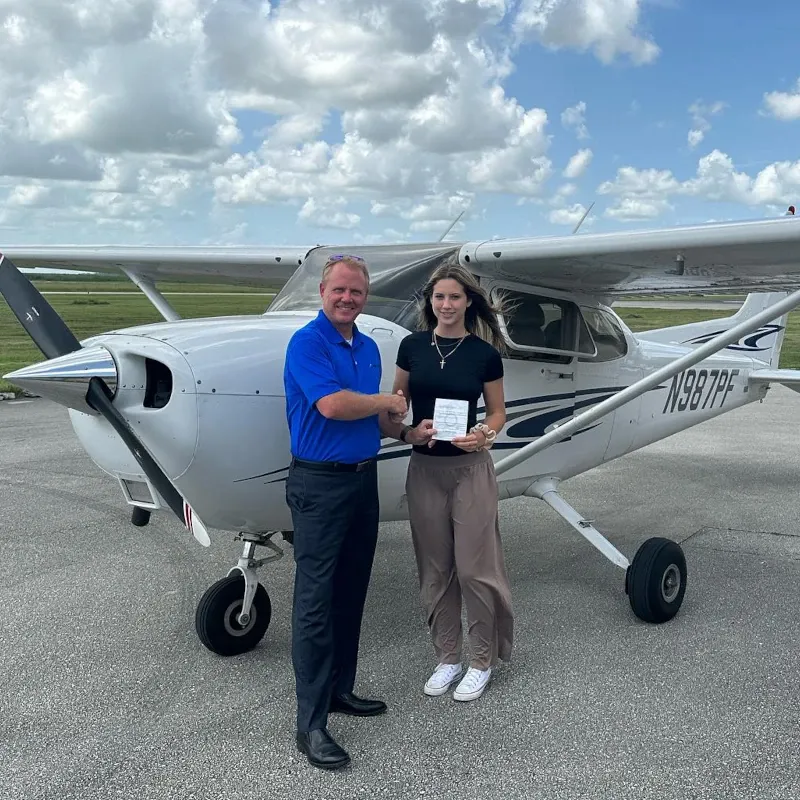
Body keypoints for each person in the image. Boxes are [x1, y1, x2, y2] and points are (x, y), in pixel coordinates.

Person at [283, 254, 435, 771]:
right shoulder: (307, 343)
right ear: (323, 292)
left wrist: (407, 432)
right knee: (315, 602)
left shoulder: (368, 347)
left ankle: (339, 690)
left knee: (351, 591)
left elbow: (375, 419)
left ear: (364, 297)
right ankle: (310, 724)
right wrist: (385, 402)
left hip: (361, 481)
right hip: (319, 485)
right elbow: (332, 405)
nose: (347, 299)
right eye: (339, 290)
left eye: (357, 292)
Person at [392, 258, 514, 702]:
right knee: (436, 567)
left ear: (468, 303)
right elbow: (397, 407)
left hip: (470, 470)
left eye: (455, 297)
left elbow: (497, 412)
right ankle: (448, 657)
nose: (446, 304)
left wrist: (485, 434)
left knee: (475, 567)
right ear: (430, 302)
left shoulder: (484, 354)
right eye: (439, 297)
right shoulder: (411, 347)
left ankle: (481, 659)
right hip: (425, 470)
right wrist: (408, 432)